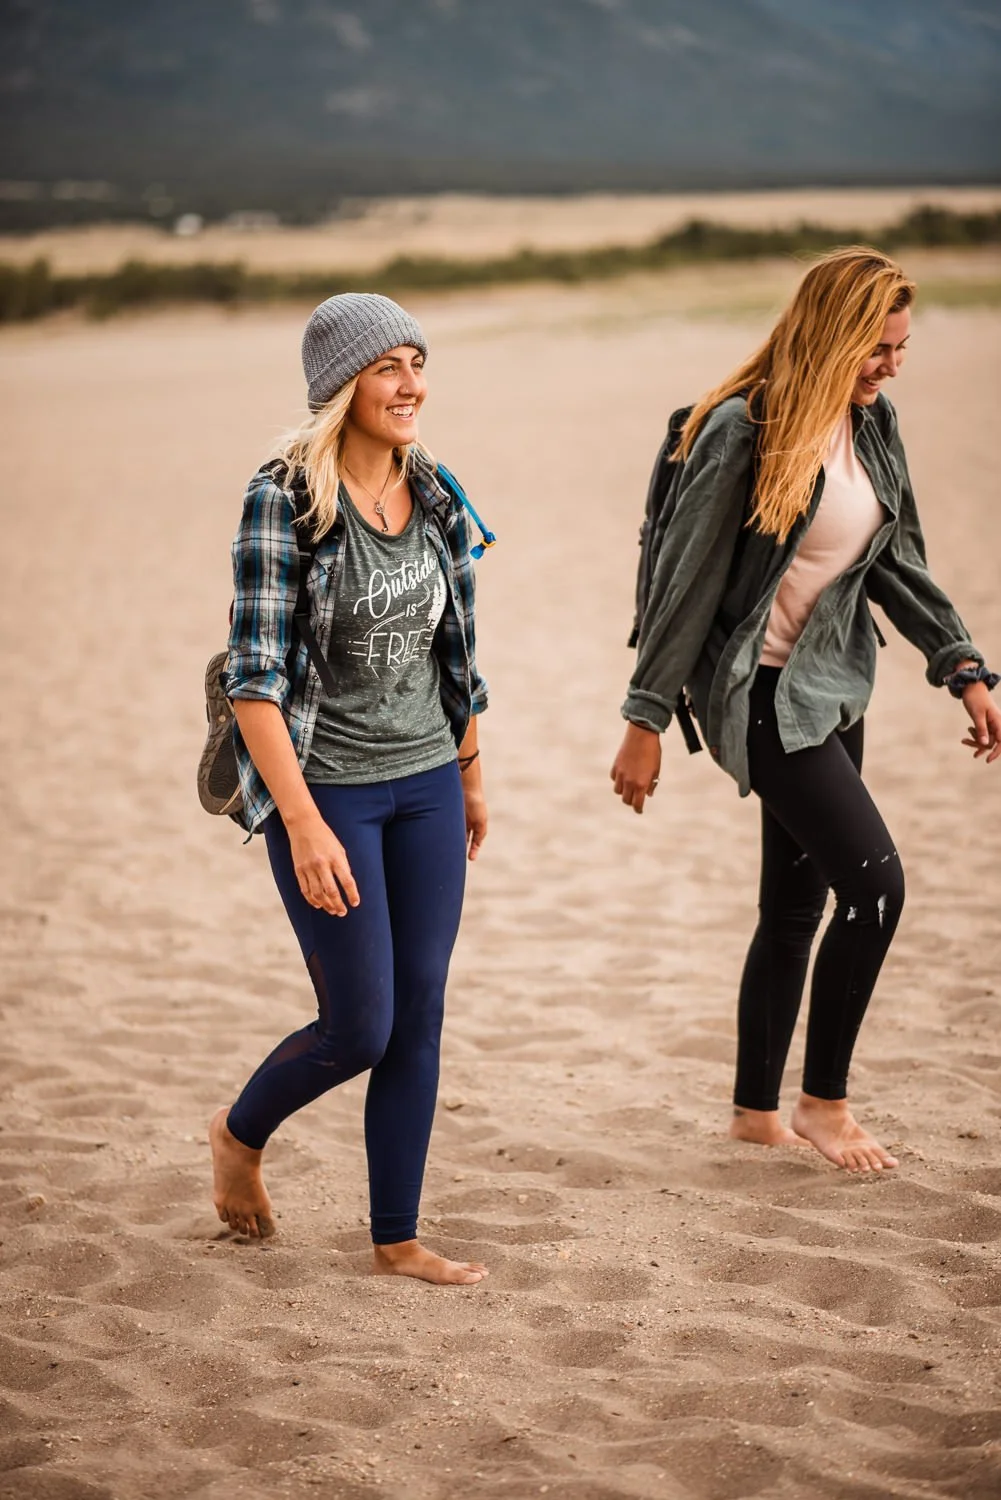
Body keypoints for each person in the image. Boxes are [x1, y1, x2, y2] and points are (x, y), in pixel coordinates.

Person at [611, 247, 1000, 1174]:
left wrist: (964, 668)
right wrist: (644, 719)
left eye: (901, 349)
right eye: (877, 349)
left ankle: (754, 1110)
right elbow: (684, 584)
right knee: (877, 890)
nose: (891, 366)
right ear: (830, 336)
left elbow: (896, 562)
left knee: (794, 905)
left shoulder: (872, 425)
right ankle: (823, 1102)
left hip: (831, 690)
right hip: (760, 696)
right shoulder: (742, 431)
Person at [210, 293, 491, 1284]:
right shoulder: (282, 495)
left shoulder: (439, 496)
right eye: (387, 367)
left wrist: (468, 773)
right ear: (342, 386)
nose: (410, 384)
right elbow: (254, 678)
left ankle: (396, 1238)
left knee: (419, 1012)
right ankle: (240, 1135)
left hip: (423, 782)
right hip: (327, 792)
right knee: (358, 1025)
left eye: (416, 362)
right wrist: (302, 822)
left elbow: (453, 653)